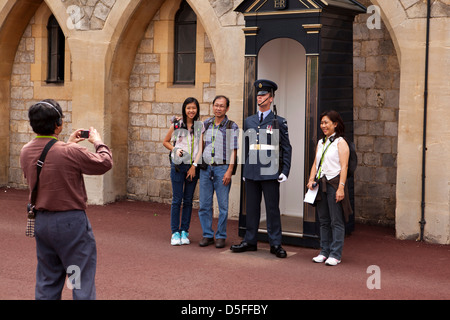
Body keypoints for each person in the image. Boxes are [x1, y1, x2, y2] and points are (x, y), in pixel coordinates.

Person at [20, 99, 113, 299]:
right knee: (78, 279)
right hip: (70, 225)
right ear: (58, 124)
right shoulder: (70, 151)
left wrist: (67, 143)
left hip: (42, 222)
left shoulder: (25, 151)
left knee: (48, 280)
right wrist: (97, 141)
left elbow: (48, 167)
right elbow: (105, 163)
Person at [230, 79, 292, 258]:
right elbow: (246, 146)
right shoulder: (249, 121)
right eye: (258, 95)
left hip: (270, 171)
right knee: (251, 209)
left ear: (271, 98)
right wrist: (244, 171)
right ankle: (250, 240)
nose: (259, 98)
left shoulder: (279, 121)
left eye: (263, 95)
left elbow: (286, 147)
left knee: (272, 209)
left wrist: (285, 171)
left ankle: (275, 243)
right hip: (252, 172)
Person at [306, 110, 351, 266]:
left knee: (336, 221)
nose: (323, 126)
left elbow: (344, 166)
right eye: (322, 123)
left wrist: (341, 188)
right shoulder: (321, 142)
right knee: (323, 220)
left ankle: (335, 254)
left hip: (334, 183)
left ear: (335, 124)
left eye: (326, 123)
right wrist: (311, 179)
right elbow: (315, 163)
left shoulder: (341, 142)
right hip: (321, 183)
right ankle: (324, 251)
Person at [196, 95, 239, 248]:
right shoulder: (206, 124)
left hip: (222, 169)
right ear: (213, 106)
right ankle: (207, 234)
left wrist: (229, 170)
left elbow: (234, 150)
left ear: (227, 108)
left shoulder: (231, 126)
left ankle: (221, 235)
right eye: (216, 105)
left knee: (223, 206)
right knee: (204, 204)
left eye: (222, 106)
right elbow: (201, 146)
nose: (218, 108)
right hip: (206, 169)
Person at [163, 97, 201, 246]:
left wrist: (194, 166)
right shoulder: (177, 125)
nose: (191, 111)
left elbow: (200, 148)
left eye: (194, 108)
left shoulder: (199, 126)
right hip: (178, 165)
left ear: (197, 110)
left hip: (192, 167)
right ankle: (175, 232)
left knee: (188, 201)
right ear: (184, 109)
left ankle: (185, 231)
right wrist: (175, 149)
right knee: (177, 200)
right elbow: (165, 141)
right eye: (188, 108)